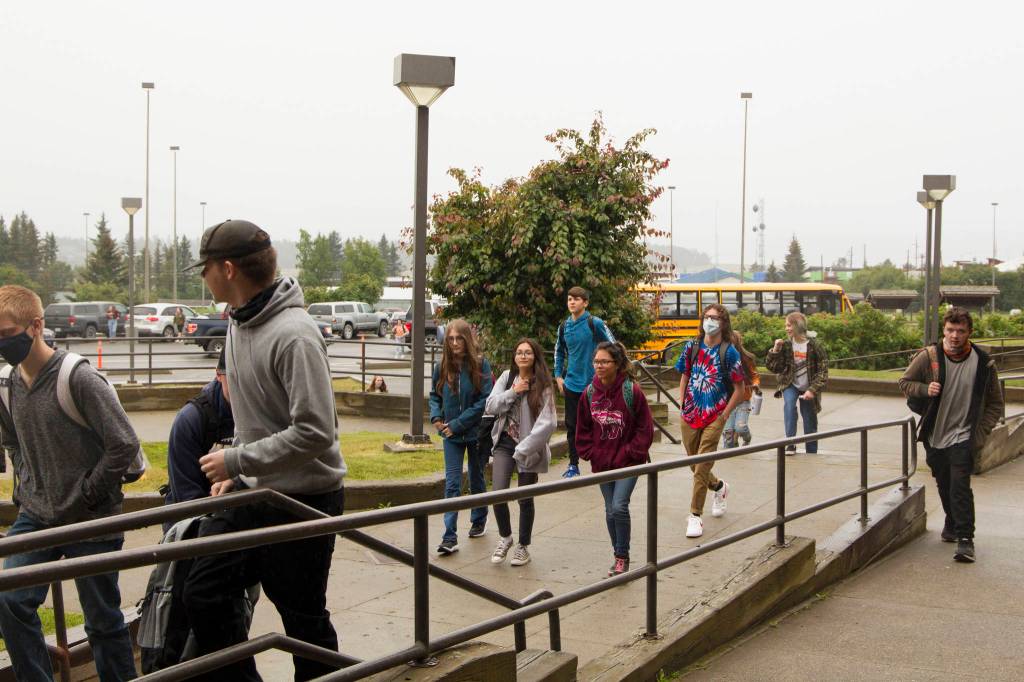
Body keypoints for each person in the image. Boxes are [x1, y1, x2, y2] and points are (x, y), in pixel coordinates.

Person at [184, 219, 346, 680]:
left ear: (229, 269)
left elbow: (317, 431)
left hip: (304, 500)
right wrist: (241, 466)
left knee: (303, 619)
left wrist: (237, 459)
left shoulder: (294, 334)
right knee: (203, 591)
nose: (203, 276)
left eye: (206, 267)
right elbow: (258, 420)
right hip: (256, 492)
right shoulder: (238, 323)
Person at [0, 285, 139, 681]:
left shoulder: (76, 377)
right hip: (38, 516)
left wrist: (89, 492)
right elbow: (12, 440)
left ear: (37, 326)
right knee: (10, 600)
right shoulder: (7, 386)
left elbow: (124, 443)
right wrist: (29, 484)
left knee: (102, 622)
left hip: (92, 521)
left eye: (7, 333)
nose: (1, 343)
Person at [898, 307, 1003, 563]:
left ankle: (965, 540)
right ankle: (952, 521)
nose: (955, 336)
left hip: (964, 436)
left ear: (970, 333)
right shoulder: (929, 356)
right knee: (944, 483)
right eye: (950, 330)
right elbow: (904, 382)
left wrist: (979, 433)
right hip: (935, 435)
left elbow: (995, 403)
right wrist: (925, 388)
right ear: (943, 330)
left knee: (960, 486)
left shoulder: (983, 361)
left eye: (960, 331)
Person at [576, 341, 654, 576]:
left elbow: (645, 429)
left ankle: (622, 556)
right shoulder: (589, 394)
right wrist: (591, 453)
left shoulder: (632, 391)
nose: (599, 366)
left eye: (604, 362)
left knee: (619, 506)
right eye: (596, 362)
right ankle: (617, 553)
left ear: (617, 364)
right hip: (603, 463)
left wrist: (631, 452)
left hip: (629, 462)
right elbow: (582, 428)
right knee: (610, 511)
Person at [484, 338, 556, 567]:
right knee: (497, 494)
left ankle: (523, 546)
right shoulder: (507, 378)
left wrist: (524, 449)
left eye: (528, 352)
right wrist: (513, 392)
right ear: (514, 357)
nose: (523, 356)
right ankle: (505, 537)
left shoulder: (544, 384)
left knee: (524, 498)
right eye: (519, 352)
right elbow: (490, 406)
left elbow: (548, 423)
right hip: (505, 443)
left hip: (528, 447)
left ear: (535, 356)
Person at [676, 303, 745, 539]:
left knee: (702, 463)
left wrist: (725, 414)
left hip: (715, 414)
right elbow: (684, 374)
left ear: (723, 323)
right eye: (706, 317)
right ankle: (719, 487)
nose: (709, 321)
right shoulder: (691, 347)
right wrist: (682, 402)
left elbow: (740, 388)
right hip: (690, 413)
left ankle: (695, 515)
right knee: (695, 465)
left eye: (715, 318)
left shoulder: (729, 352)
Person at [429, 318, 493, 555]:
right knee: (452, 484)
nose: (455, 343)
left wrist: (457, 423)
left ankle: (479, 519)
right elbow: (434, 395)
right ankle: (449, 536)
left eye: (459, 338)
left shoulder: (480, 364)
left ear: (467, 339)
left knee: (477, 479)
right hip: (451, 436)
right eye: (451, 339)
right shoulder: (442, 366)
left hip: (474, 433)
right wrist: (436, 417)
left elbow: (484, 401)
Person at [552, 286, 615, 479]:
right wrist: (558, 376)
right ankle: (573, 465)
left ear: (585, 303)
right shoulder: (564, 327)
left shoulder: (593, 323)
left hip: (594, 384)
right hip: (571, 384)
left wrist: (609, 372)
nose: (572, 302)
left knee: (598, 423)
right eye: (570, 298)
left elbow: (614, 345)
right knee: (572, 426)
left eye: (577, 299)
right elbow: (559, 351)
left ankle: (602, 461)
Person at [165, 351, 234, 509]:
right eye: (235, 380)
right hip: (197, 516)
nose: (243, 391)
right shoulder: (190, 420)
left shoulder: (266, 411)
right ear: (218, 374)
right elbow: (186, 497)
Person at [766, 312, 828, 455]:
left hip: (809, 385)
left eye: (789, 325)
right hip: (790, 383)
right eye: (786, 325)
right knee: (789, 405)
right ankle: (790, 443)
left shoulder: (815, 346)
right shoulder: (787, 345)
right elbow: (773, 367)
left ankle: (811, 450)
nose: (786, 328)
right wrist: (775, 350)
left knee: (809, 418)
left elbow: (823, 372)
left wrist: (812, 390)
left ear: (797, 326)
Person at [722, 331, 761, 449]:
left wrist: (755, 384)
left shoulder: (746, 359)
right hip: (727, 401)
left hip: (743, 400)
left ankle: (747, 438)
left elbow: (755, 375)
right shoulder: (721, 357)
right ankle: (730, 450)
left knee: (741, 427)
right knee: (728, 434)